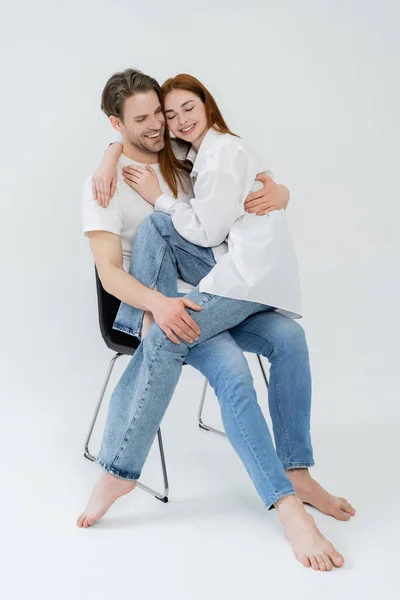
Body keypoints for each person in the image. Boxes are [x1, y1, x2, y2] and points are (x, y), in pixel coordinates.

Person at [78, 69, 354, 572]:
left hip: (217, 290)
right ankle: (286, 509)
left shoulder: (181, 158)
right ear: (116, 123)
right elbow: (111, 276)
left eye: (159, 113)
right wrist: (158, 306)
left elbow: (237, 179)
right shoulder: (104, 186)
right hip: (158, 305)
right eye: (141, 119)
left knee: (290, 336)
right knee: (230, 371)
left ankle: (297, 469)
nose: (159, 125)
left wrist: (282, 191)